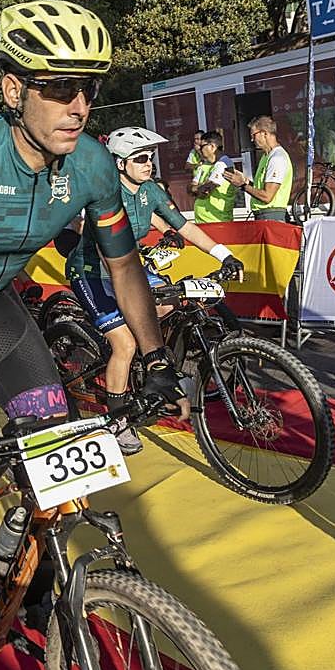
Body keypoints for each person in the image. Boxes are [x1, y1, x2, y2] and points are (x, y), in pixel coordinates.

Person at [0, 0, 188, 662]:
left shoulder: (93, 164)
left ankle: (29, 573)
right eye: (59, 88)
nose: (79, 106)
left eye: (89, 89)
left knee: (60, 463)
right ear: (13, 90)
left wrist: (156, 359)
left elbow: (124, 264)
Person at [66, 126, 244, 454]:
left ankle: (152, 370)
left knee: (172, 302)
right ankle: (118, 420)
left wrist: (224, 254)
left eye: (151, 158)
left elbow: (185, 226)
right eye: (140, 158)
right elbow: (108, 254)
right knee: (125, 343)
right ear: (120, 164)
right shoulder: (105, 193)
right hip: (92, 272)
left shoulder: (150, 190)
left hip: (130, 269)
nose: (149, 163)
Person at [226, 115, 293, 222]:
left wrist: (242, 185)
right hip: (264, 215)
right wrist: (245, 181)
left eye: (254, 135)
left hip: (272, 216)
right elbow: (261, 189)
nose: (252, 139)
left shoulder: (277, 158)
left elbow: (267, 196)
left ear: (264, 133)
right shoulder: (266, 156)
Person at [189, 130, 237, 223]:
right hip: (201, 221)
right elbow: (189, 188)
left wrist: (196, 189)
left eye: (202, 146)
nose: (199, 149)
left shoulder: (224, 163)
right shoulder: (204, 165)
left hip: (217, 220)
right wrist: (196, 188)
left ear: (212, 146)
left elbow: (206, 190)